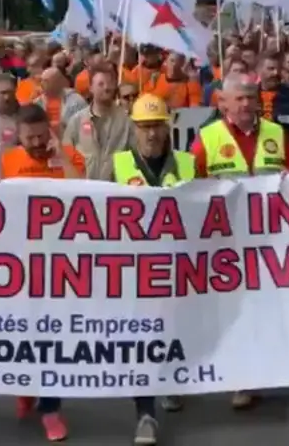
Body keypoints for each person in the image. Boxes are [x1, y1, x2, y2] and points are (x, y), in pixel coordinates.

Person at [191, 74, 289, 409]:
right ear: (223, 102)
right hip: (228, 241)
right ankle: (241, 378)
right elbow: (191, 183)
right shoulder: (207, 138)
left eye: (250, 98)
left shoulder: (276, 134)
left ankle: (266, 371)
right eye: (238, 98)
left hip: (272, 238)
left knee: (268, 309)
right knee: (235, 312)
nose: (245, 104)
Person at [0, 104, 85, 441]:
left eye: (41, 135)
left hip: (60, 264)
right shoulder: (6, 161)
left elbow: (86, 192)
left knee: (53, 335)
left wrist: (61, 154)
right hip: (17, 264)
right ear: (19, 136)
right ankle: (25, 387)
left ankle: (50, 408)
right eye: (29, 137)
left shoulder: (68, 156)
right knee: (21, 332)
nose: (36, 142)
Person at [108, 93, 192, 442]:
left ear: (168, 127)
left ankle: (171, 380)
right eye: (144, 127)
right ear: (134, 129)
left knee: (174, 332)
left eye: (157, 126)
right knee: (142, 338)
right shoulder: (118, 164)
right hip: (136, 269)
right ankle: (146, 414)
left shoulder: (188, 163)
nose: (152, 134)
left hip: (179, 267)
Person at [63, 67, 133, 181]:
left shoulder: (126, 121)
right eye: (101, 84)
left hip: (115, 190)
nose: (106, 88)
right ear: (91, 87)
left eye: (110, 83)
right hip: (84, 190)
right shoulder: (76, 121)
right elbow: (66, 155)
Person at [36, 66, 85, 135]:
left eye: (46, 81)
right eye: (41, 80)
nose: (42, 84)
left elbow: (83, 127)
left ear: (57, 83)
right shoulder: (37, 103)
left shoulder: (76, 102)